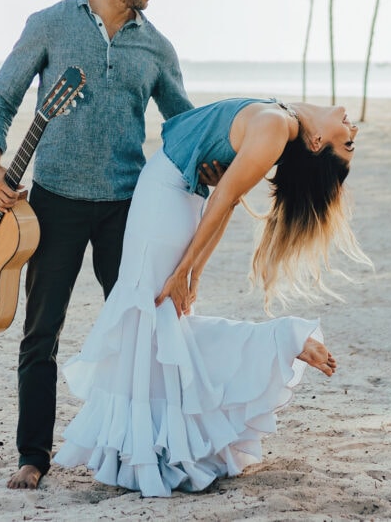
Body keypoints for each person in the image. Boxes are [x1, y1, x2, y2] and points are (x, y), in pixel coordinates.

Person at [0, 0, 220, 490]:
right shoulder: (51, 23)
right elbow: (1, 95)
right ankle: (32, 455)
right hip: (52, 204)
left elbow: (183, 124)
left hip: (125, 208)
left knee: (142, 327)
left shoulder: (156, 47)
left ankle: (148, 442)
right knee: (41, 333)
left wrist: (217, 163)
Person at [52, 97, 371, 497]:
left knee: (154, 322)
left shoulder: (276, 127)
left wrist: (188, 269)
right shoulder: (282, 122)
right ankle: (155, 447)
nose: (353, 131)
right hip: (174, 197)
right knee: (159, 327)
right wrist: (193, 268)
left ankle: (155, 449)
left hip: (166, 198)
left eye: (349, 144)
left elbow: (224, 200)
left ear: (317, 141)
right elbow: (226, 196)